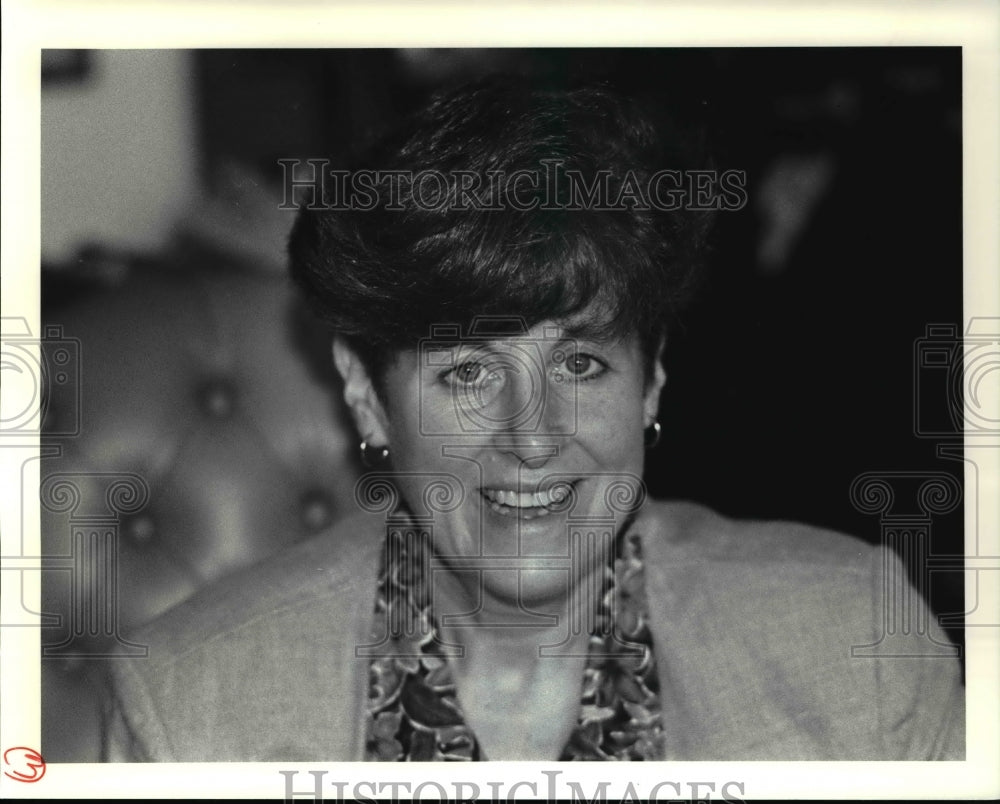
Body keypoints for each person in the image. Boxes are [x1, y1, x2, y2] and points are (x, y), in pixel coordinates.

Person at [103, 76, 964, 762]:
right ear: (367, 394)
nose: (535, 436)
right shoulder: (190, 706)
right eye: (470, 371)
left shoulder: (862, 643)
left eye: (581, 363)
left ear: (653, 378)